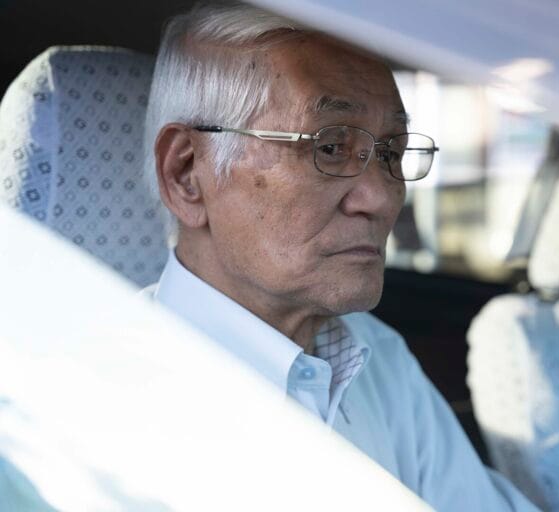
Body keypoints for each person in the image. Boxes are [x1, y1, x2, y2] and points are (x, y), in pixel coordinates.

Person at [143, 2, 537, 510]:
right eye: (329, 147)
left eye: (391, 152)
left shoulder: (377, 359)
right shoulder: (98, 398)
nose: (381, 197)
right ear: (187, 175)